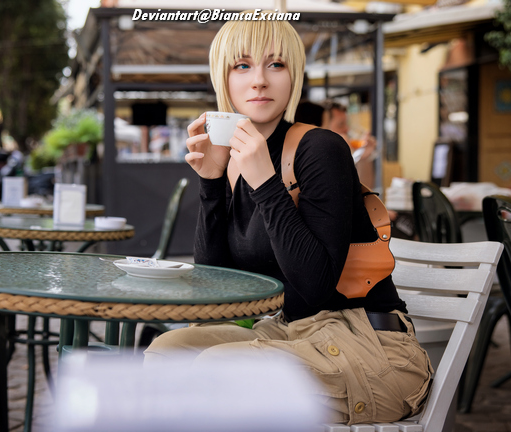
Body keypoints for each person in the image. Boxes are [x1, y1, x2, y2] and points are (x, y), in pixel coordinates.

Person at [143, 13, 432, 425]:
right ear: (222, 80)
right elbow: (214, 287)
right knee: (167, 351)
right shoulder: (234, 160)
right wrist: (210, 182)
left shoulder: (320, 148)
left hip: (370, 347)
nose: (258, 80)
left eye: (275, 64)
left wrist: (266, 182)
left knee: (220, 367)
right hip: (290, 334)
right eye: (242, 66)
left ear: (293, 76)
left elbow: (315, 287)